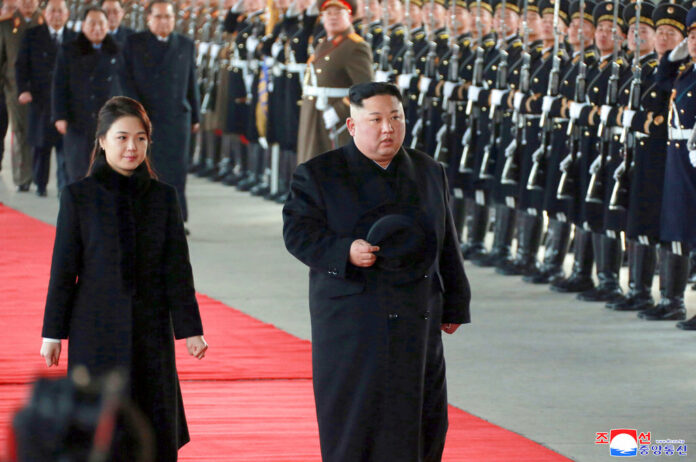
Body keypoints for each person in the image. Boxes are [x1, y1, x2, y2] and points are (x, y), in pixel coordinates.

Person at [283, 82, 471, 461]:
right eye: (376, 120)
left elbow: (445, 240)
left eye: (396, 118)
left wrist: (455, 302)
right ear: (352, 126)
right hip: (353, 318)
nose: (388, 128)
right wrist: (344, 250)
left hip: (416, 313)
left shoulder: (428, 170)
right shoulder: (319, 174)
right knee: (356, 417)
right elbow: (298, 234)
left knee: (420, 415)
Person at [40, 96, 208, 461]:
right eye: (121, 137)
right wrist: (53, 333)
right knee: (99, 428)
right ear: (101, 141)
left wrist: (190, 328)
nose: (132, 147)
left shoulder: (163, 198)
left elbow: (177, 269)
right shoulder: (78, 197)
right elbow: (63, 269)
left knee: (153, 423)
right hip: (94, 328)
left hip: (151, 327)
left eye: (140, 138)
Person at [122, 0, 200, 224]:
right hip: (147, 118)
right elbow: (125, 81)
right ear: (149, 18)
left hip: (177, 118)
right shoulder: (134, 43)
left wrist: (195, 115)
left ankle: (177, 218)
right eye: (159, 17)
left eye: (168, 17)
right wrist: (135, 114)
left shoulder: (185, 44)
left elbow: (191, 83)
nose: (164, 21)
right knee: (147, 169)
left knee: (177, 171)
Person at [295, 0, 373, 164]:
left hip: (334, 120)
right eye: (328, 13)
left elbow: (365, 88)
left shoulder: (355, 46)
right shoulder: (323, 42)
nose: (332, 17)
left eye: (338, 13)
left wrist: (340, 110)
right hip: (314, 115)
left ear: (350, 17)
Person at [52, 6, 123, 183]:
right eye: (92, 23)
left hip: (109, 122)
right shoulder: (69, 50)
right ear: (83, 26)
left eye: (101, 23)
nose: (97, 28)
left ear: (108, 26)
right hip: (78, 120)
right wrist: (60, 116)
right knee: (78, 170)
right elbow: (59, 85)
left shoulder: (118, 51)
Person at [15, 0, 75, 196]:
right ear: (45, 14)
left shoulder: (75, 39)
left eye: (60, 11)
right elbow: (21, 66)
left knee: (64, 147)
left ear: (67, 14)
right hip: (40, 100)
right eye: (52, 11)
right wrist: (23, 89)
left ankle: (63, 186)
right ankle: (40, 185)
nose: (56, 15)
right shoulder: (32, 35)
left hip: (67, 102)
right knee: (41, 146)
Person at [0, 0, 42, 192]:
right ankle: (22, 177)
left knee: (42, 132)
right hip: (15, 89)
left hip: (44, 88)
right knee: (20, 131)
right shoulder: (6, 25)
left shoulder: (45, 21)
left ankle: (39, 175)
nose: (27, 2)